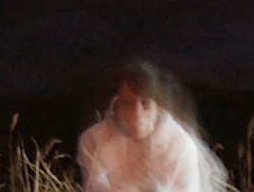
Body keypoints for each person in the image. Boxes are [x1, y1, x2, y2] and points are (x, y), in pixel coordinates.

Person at [78, 63, 224, 192]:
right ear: (116, 103)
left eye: (145, 103)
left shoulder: (180, 146)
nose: (136, 113)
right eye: (127, 103)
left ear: (157, 105)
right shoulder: (95, 140)